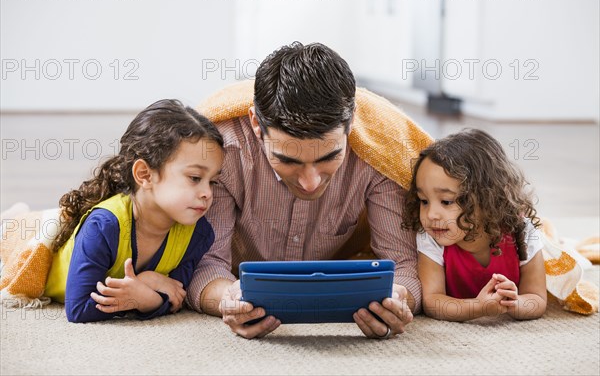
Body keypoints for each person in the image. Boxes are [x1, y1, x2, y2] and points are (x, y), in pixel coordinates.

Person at [188, 42, 428, 339]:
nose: (310, 182)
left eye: (329, 157)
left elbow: (404, 265)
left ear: (351, 123)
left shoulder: (382, 153)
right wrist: (229, 300)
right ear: (256, 125)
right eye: (288, 160)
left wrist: (398, 299)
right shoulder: (221, 153)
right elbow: (206, 265)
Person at [44, 99, 224, 323]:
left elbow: (176, 297)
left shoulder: (200, 234)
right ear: (145, 175)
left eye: (213, 182)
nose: (207, 192)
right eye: (195, 178)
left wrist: (149, 295)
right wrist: (145, 289)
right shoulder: (103, 227)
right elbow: (79, 308)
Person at [402, 128, 547, 321]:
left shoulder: (521, 231)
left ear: (488, 199)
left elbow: (537, 298)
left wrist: (513, 302)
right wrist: (477, 308)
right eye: (424, 200)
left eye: (446, 201)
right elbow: (433, 301)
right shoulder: (431, 237)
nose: (431, 214)